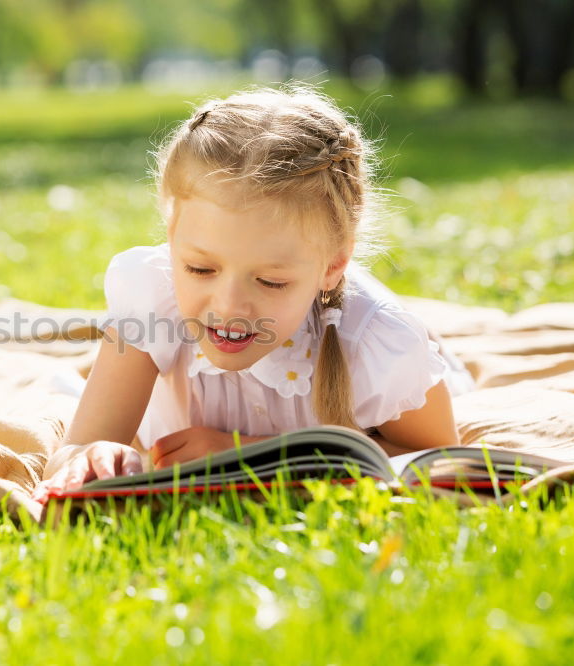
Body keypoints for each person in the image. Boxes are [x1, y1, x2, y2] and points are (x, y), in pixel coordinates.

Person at [31, 85, 474, 503]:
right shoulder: (152, 300)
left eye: (270, 281)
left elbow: (442, 463)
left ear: (333, 266)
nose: (228, 307)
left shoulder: (380, 344)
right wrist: (90, 458)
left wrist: (245, 455)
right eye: (199, 268)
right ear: (171, 239)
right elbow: (72, 453)